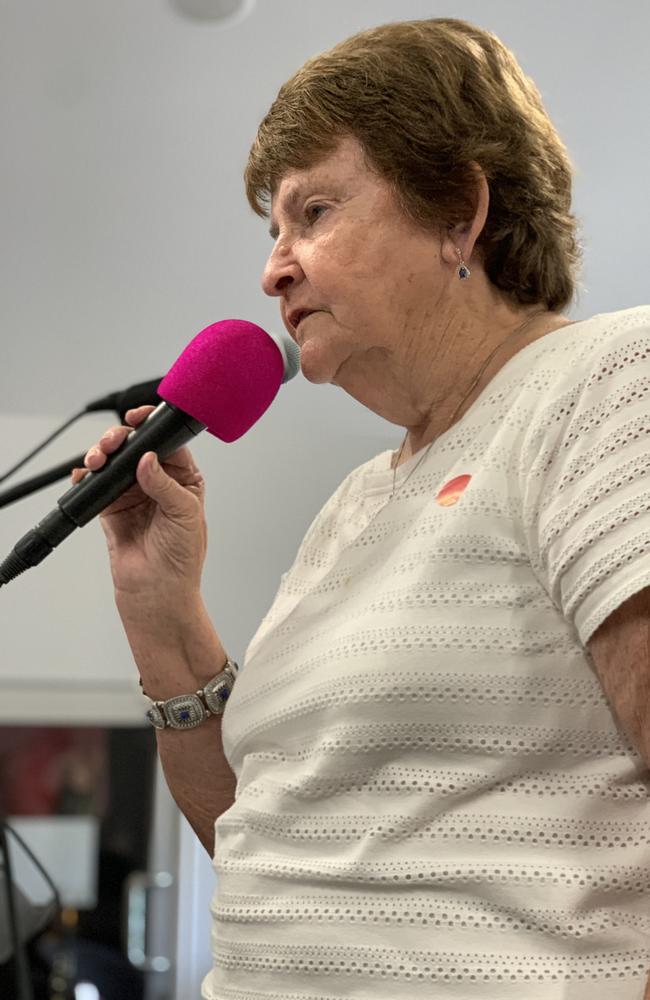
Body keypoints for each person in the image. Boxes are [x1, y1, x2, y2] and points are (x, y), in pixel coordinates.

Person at [74, 17, 650, 1000]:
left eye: (315, 212)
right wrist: (165, 619)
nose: (273, 268)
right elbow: (277, 846)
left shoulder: (606, 380)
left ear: (456, 213)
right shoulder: (354, 503)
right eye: (273, 231)